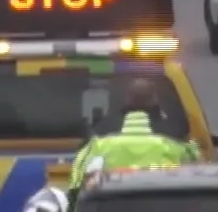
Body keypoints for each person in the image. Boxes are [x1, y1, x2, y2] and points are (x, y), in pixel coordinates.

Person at [66, 80, 200, 205]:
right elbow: (197, 173)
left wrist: (73, 203)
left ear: (128, 99)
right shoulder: (175, 135)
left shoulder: (101, 133)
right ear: (155, 99)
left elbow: (78, 178)